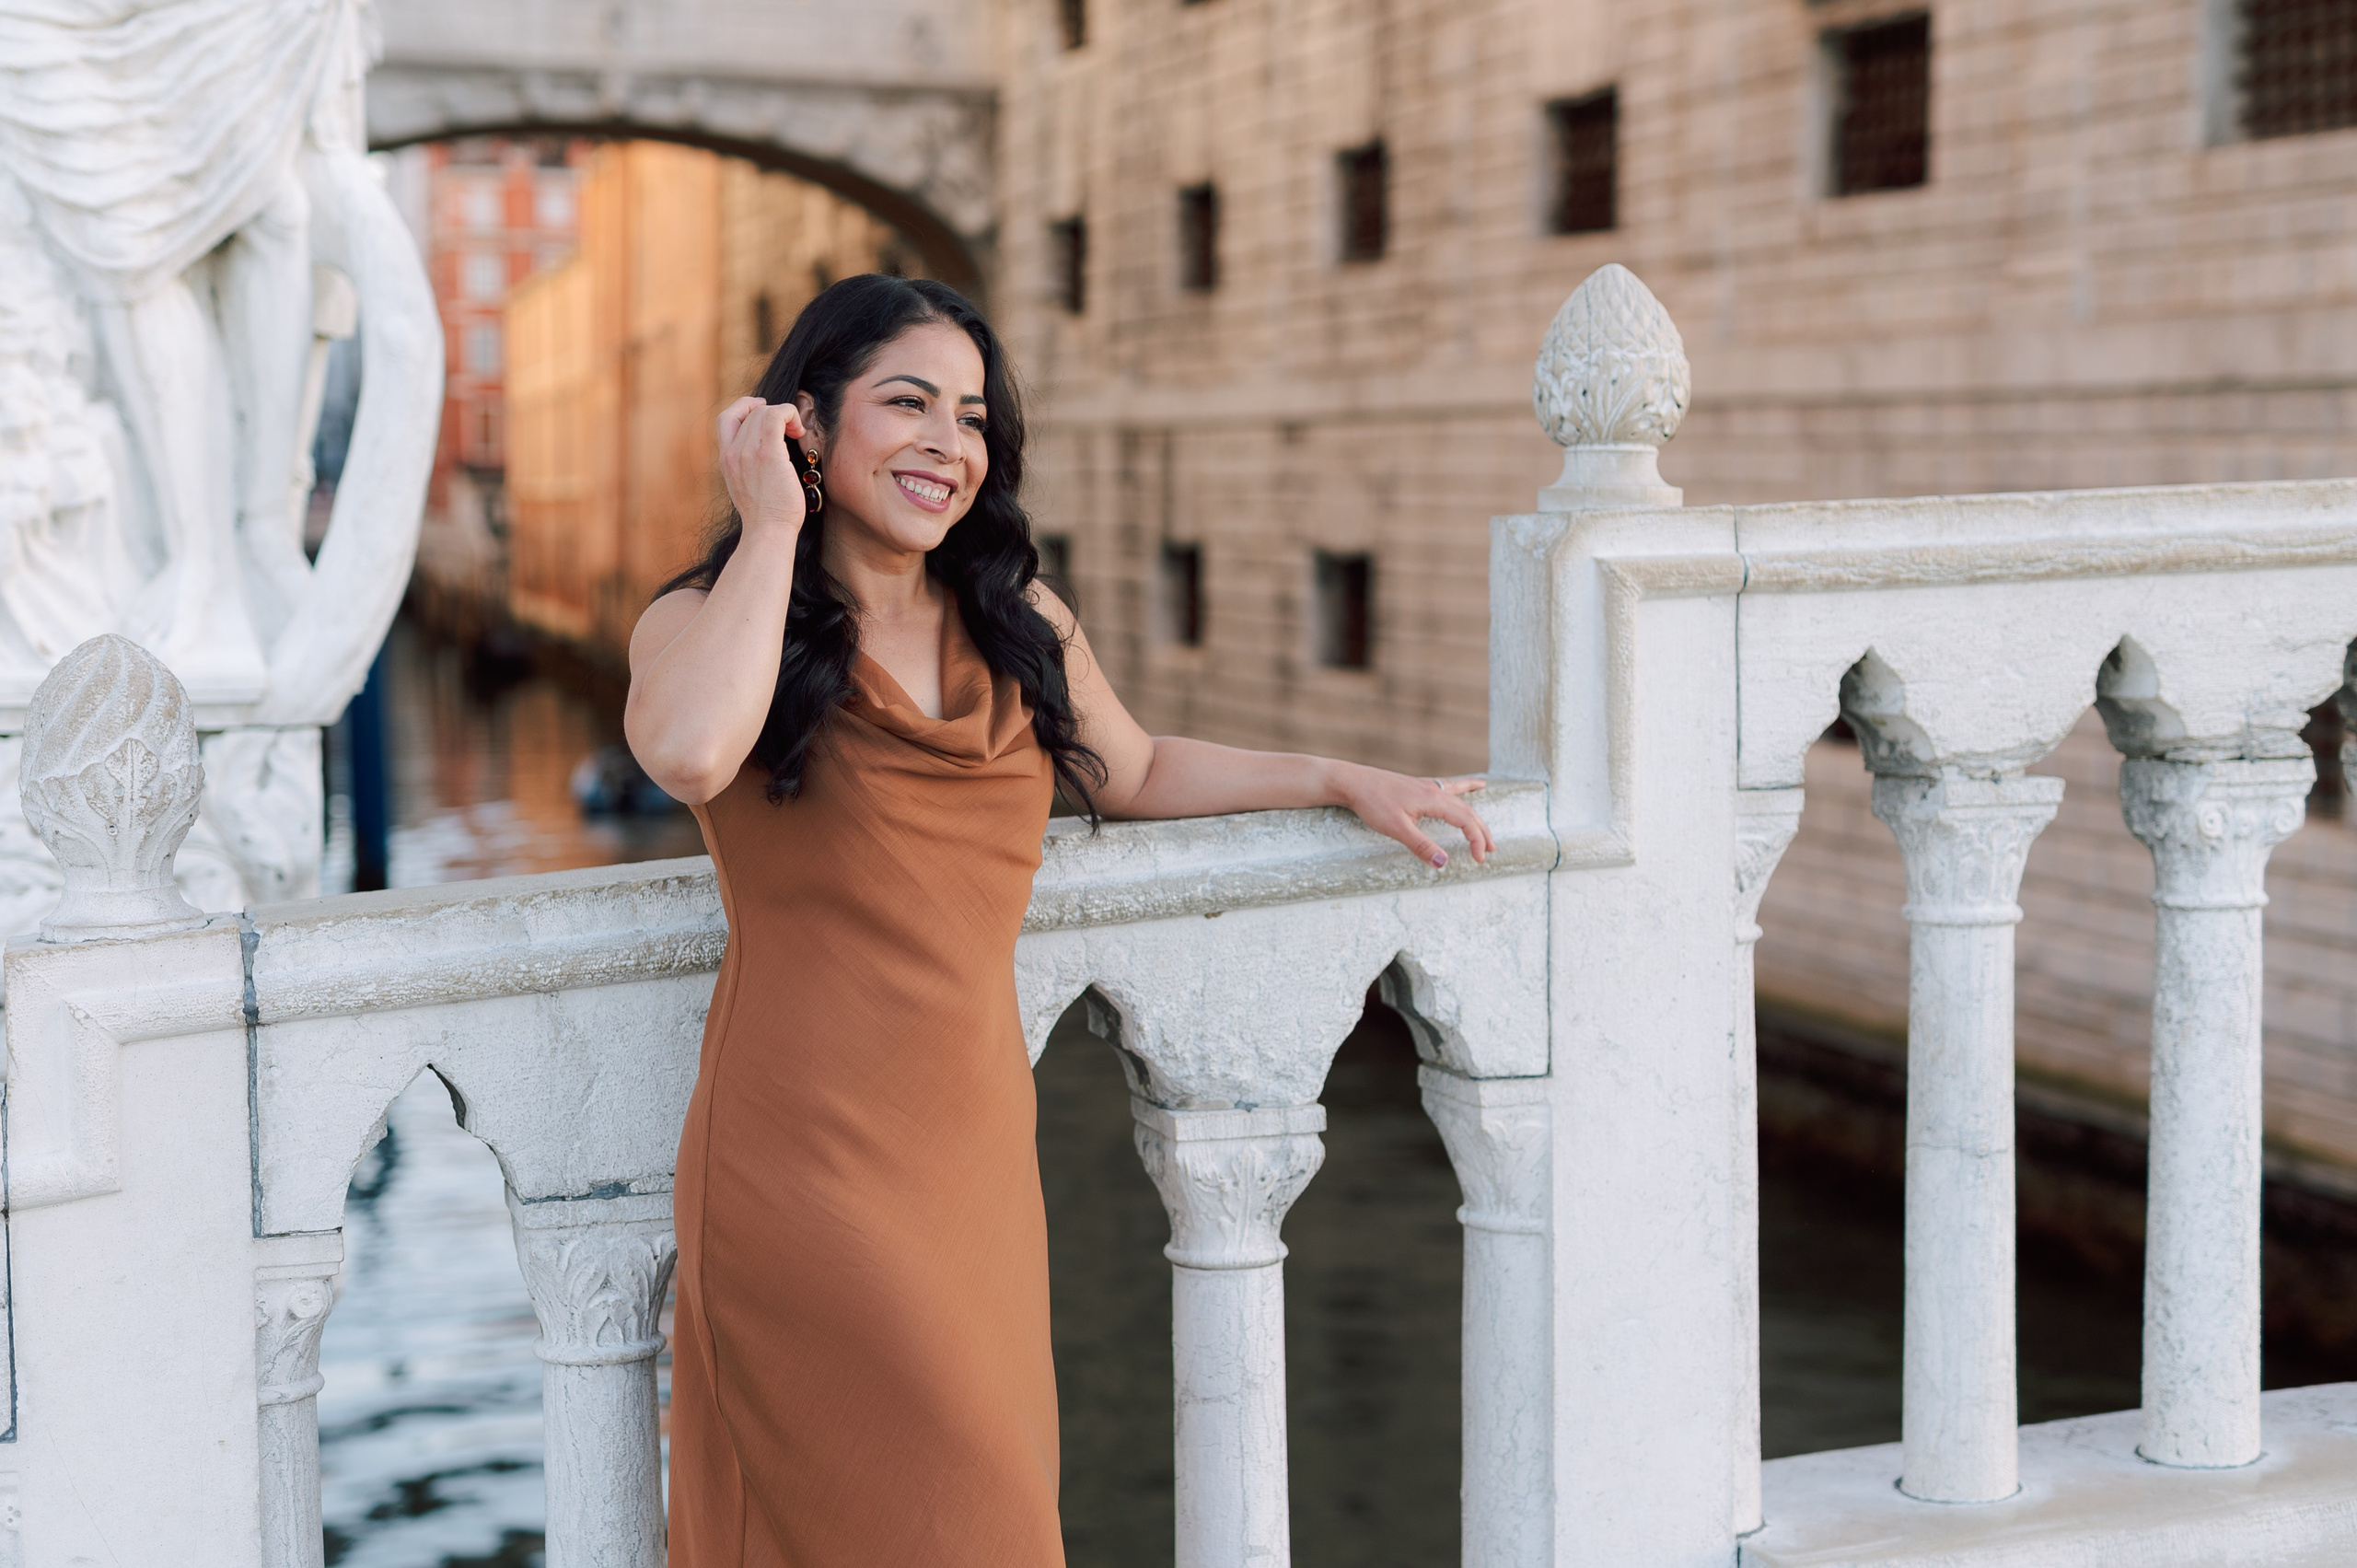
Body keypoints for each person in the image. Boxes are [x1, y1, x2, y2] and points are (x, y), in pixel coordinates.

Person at [625, 273, 1492, 1566]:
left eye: (972, 418)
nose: (948, 444)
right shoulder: (707, 621)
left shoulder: (1016, 623)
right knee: (924, 1515)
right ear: (806, 419)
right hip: (800, 1167)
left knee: (994, 1509)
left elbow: (1133, 771)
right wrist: (768, 526)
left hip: (972, 1162)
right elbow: (693, 755)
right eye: (906, 403)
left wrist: (1337, 778)